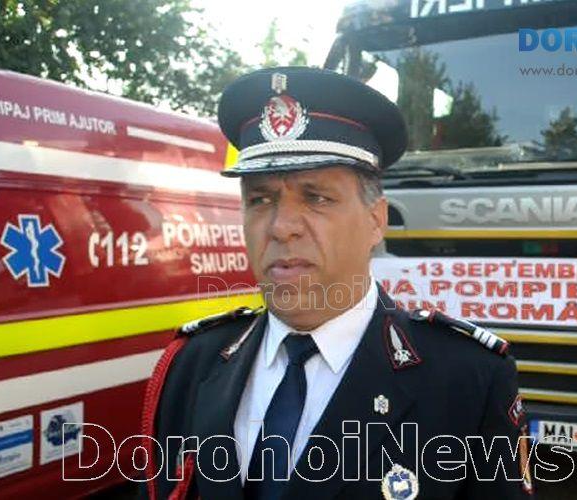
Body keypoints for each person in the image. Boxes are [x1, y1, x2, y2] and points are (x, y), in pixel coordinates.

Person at [140, 66, 534, 500]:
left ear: (375, 220)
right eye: (260, 199)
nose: (281, 226)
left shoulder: (466, 379)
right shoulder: (193, 364)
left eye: (316, 198)